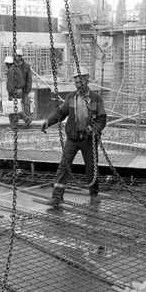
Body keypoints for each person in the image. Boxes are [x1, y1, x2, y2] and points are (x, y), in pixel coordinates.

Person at [41, 67, 107, 207]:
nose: (78, 84)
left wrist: (94, 129)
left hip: (88, 139)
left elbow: (102, 119)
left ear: (87, 80)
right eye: (76, 82)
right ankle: (57, 197)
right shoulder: (71, 97)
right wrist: (48, 122)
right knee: (63, 166)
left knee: (91, 167)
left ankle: (94, 195)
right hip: (73, 137)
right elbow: (61, 113)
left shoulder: (96, 98)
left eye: (81, 81)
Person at [4, 54, 32, 128]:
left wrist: (10, 94)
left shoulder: (10, 71)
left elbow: (10, 84)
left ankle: (15, 124)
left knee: (10, 108)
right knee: (16, 107)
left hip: (14, 91)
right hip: (20, 90)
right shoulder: (17, 69)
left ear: (7, 64)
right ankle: (20, 121)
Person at [12, 49, 34, 125]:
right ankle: (16, 119)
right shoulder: (13, 65)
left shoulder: (26, 66)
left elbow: (29, 78)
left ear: (20, 57)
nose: (15, 58)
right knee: (16, 104)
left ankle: (28, 119)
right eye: (14, 56)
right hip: (16, 88)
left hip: (24, 88)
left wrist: (28, 89)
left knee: (25, 104)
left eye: (16, 56)